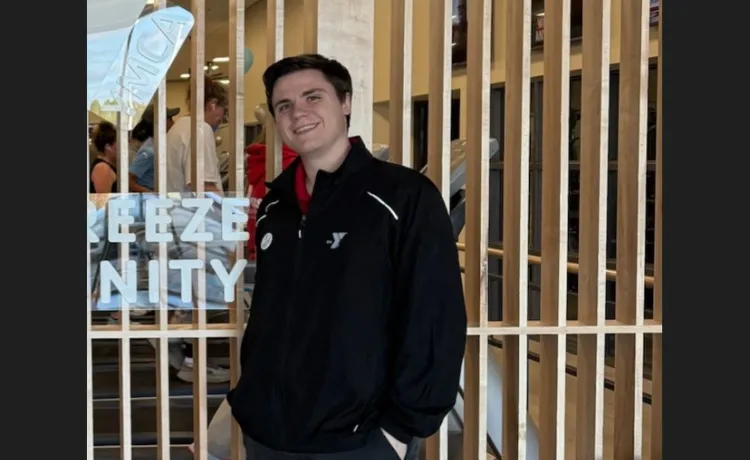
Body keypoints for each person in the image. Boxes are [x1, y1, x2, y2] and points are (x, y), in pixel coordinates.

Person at [227, 54, 467, 460]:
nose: (297, 113)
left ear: (345, 102)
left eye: (312, 97)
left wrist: (401, 428)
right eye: (283, 106)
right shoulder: (275, 207)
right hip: (268, 435)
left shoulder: (403, 197)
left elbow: (434, 319)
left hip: (360, 440)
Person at [128, 104, 180, 192]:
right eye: (170, 119)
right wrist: (153, 195)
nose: (173, 123)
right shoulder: (149, 151)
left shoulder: (160, 145)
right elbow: (129, 181)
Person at [90, 121, 119, 193]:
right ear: (108, 147)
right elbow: (102, 202)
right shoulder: (103, 168)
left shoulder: (109, 166)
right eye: (118, 143)